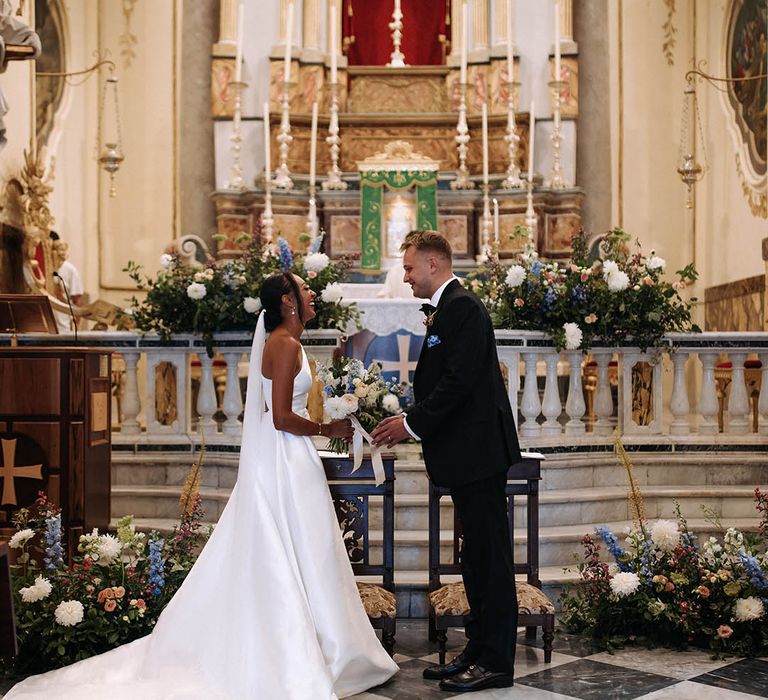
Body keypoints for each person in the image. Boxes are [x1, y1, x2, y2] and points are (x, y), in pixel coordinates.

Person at [6, 271, 398, 699]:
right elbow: (281, 417)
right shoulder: (283, 345)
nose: (312, 294)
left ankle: (323, 643)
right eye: (304, 289)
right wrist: (329, 426)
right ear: (288, 300)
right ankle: (294, 651)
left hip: (293, 457)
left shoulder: (291, 343)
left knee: (306, 547)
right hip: (285, 458)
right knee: (293, 544)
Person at [371, 230, 521, 693]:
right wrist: (409, 417)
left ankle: (497, 660)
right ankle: (478, 648)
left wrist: (411, 425)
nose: (406, 275)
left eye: (411, 267)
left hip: (479, 453)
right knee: (475, 559)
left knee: (491, 560)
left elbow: (457, 382)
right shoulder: (447, 309)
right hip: (467, 454)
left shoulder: (463, 309)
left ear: (434, 264)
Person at [49, 231, 84, 333]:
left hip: (63, 327)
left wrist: (77, 325)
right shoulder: (39, 267)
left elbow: (77, 300)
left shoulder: (70, 270)